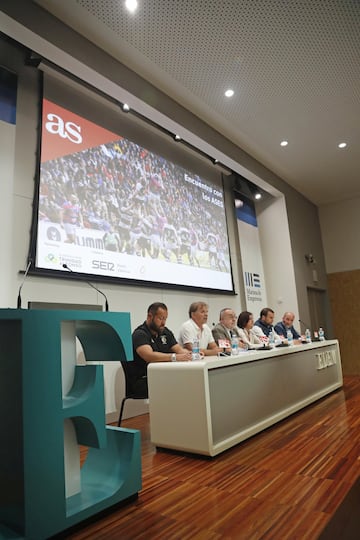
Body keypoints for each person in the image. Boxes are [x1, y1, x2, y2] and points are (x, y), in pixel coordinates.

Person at [129, 302, 192, 397]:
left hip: (162, 375)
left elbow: (179, 350)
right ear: (150, 316)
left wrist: (192, 354)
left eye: (165, 319)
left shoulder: (165, 332)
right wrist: (174, 357)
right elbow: (149, 356)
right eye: (160, 318)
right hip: (143, 380)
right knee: (181, 382)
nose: (163, 323)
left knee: (189, 377)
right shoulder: (140, 334)